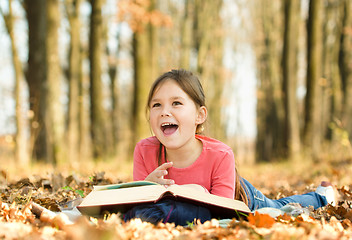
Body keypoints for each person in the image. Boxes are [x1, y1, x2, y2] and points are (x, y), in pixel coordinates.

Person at [124, 69, 336, 225]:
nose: (164, 111)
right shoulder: (144, 150)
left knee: (279, 207)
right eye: (156, 105)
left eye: (176, 103)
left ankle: (322, 195)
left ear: (200, 115)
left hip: (240, 195)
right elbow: (137, 206)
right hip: (188, 209)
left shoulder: (220, 155)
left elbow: (223, 213)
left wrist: (194, 193)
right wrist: (144, 185)